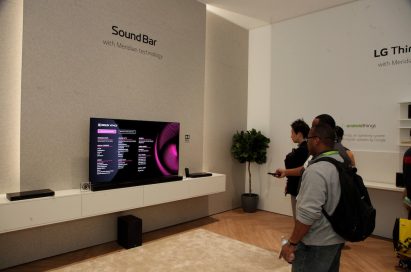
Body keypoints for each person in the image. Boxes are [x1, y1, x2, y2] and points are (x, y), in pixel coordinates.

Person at [279, 123, 345, 272]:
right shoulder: (341, 161)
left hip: (316, 242)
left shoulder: (316, 170)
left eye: (308, 138)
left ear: (316, 140)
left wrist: (292, 243)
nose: (306, 142)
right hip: (335, 238)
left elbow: (308, 214)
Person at [275, 114, 351, 178]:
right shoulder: (320, 150)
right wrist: (286, 172)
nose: (311, 130)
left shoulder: (336, 152)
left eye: (314, 126)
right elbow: (304, 168)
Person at [283, 119, 310, 218]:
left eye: (292, 132)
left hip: (298, 189)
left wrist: (285, 172)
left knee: (298, 217)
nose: (291, 136)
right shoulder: (306, 149)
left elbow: (301, 170)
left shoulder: (302, 150)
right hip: (299, 187)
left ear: (299, 134)